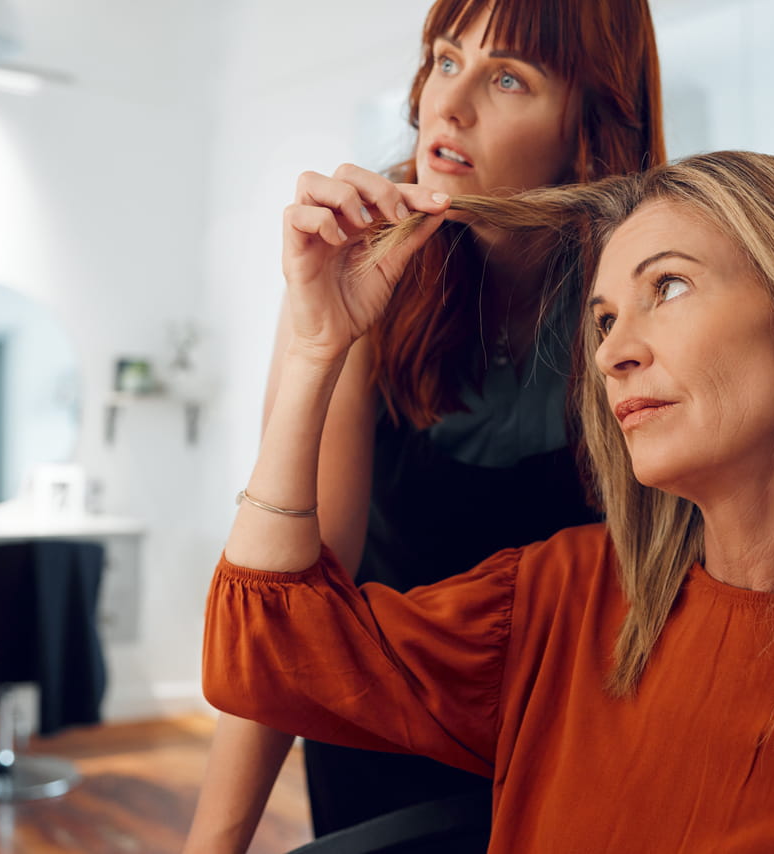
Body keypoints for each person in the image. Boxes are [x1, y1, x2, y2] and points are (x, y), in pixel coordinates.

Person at [202, 150, 774, 852]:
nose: (615, 352)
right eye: (603, 319)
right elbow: (263, 655)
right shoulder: (562, 604)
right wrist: (316, 349)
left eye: (669, 285)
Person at [184, 0, 663, 850]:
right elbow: (291, 601)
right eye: (446, 60)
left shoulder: (644, 297)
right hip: (373, 734)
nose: (450, 103)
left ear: (590, 125)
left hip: (577, 747)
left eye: (508, 77)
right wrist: (211, 846)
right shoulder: (367, 262)